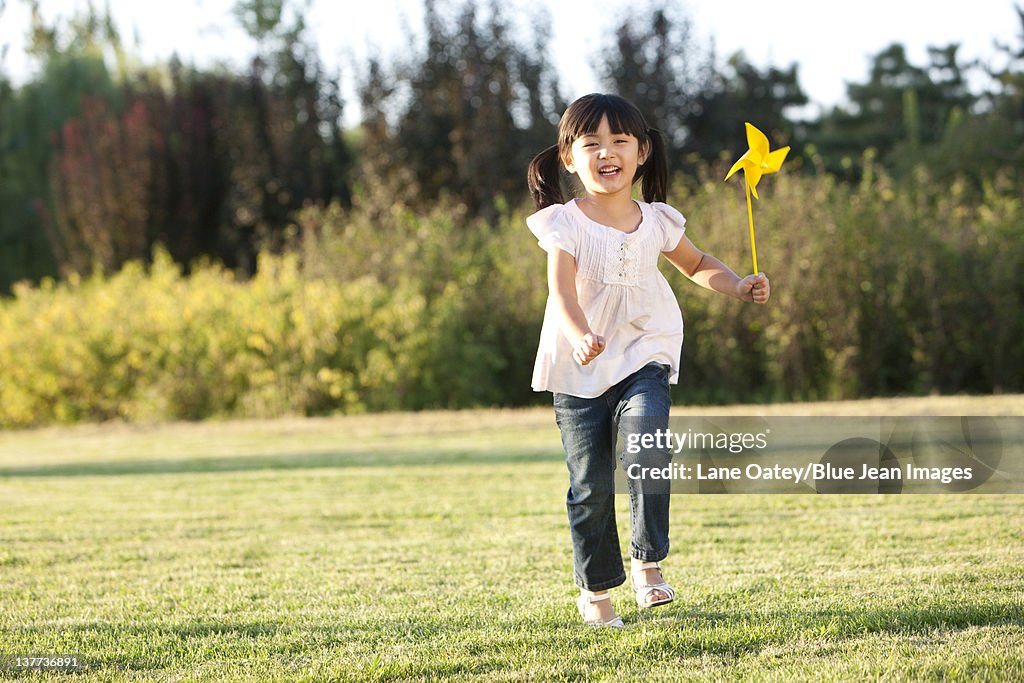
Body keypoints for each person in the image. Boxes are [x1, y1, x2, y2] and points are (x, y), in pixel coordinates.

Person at [526, 93, 771, 628]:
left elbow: (697, 263)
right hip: (581, 364)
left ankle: (648, 563)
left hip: (645, 351)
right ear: (569, 157)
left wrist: (736, 284)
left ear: (641, 152)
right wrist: (580, 333)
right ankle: (596, 592)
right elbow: (561, 293)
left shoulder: (657, 219)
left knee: (648, 443)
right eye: (591, 143)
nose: (606, 152)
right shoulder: (564, 224)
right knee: (590, 485)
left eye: (619, 141)